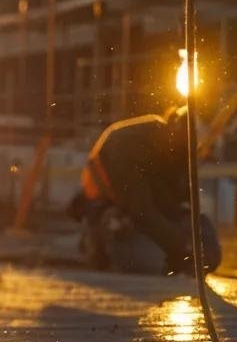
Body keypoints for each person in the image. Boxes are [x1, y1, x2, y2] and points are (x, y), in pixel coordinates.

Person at [70, 107, 221, 275]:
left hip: (145, 210)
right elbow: (141, 210)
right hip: (113, 208)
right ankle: (97, 240)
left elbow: (174, 203)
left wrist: (193, 242)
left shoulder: (173, 151)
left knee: (204, 240)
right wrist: (180, 245)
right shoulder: (127, 145)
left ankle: (175, 256)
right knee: (151, 261)